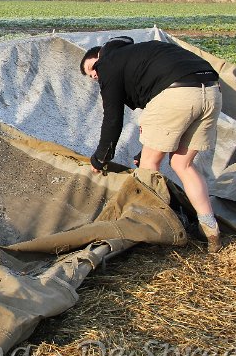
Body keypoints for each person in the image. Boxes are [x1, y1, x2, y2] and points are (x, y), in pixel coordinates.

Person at [80, 36, 223, 252]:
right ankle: (211, 230)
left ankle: (155, 231)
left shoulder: (108, 63)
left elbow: (112, 118)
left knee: (148, 165)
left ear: (100, 55)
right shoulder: (141, 54)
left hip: (177, 94)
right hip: (212, 90)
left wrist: (101, 157)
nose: (95, 75)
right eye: (91, 76)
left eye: (93, 68)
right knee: (182, 164)